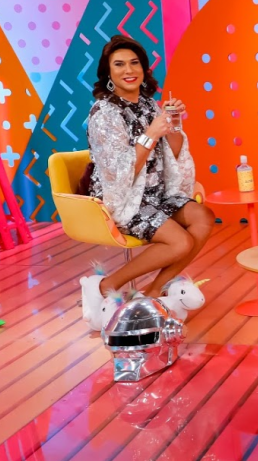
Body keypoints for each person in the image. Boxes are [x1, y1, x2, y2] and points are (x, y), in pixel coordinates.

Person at [79, 35, 215, 330]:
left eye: (134, 63)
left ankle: (152, 293)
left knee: (203, 217)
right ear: (108, 73)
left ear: (144, 68)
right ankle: (104, 285)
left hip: (156, 193)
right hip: (124, 197)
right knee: (180, 242)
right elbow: (121, 172)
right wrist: (151, 133)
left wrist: (173, 124)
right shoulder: (104, 114)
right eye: (119, 64)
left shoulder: (148, 105)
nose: (129, 70)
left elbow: (172, 155)